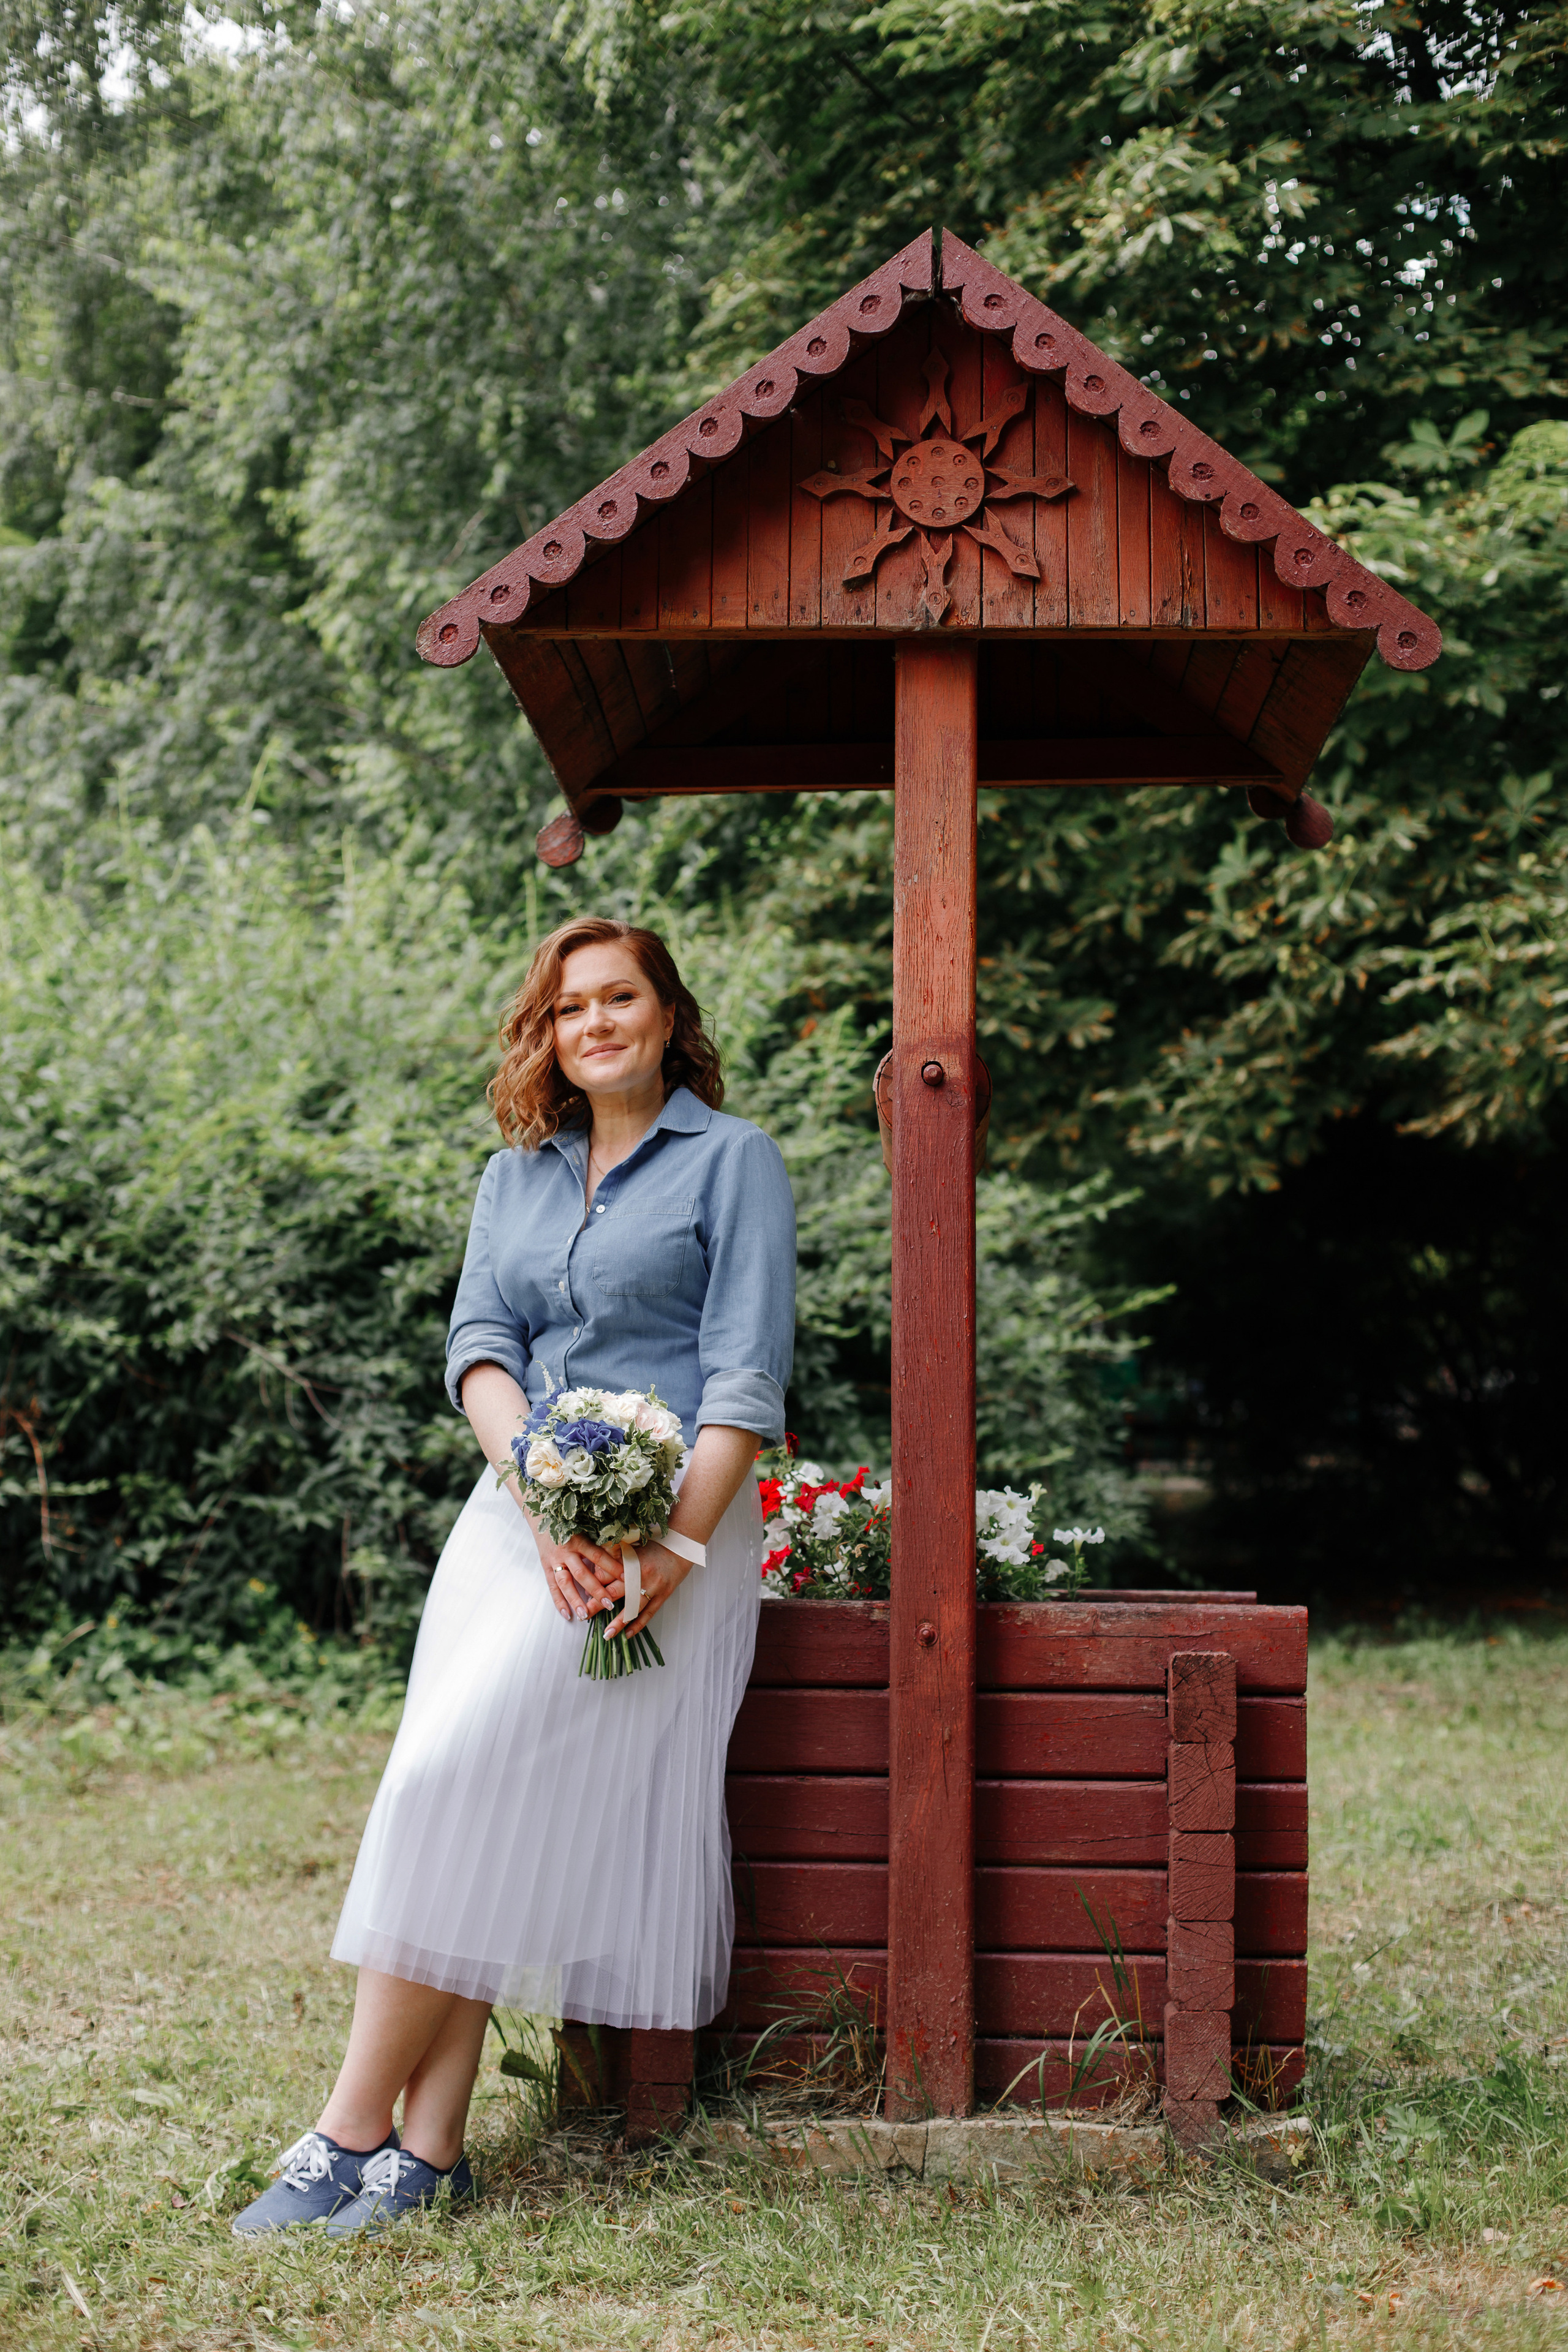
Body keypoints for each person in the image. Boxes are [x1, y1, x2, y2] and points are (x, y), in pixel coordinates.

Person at [232, 917, 796, 2235]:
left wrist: (666, 1546)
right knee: (457, 1790)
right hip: (515, 1524)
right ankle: (430, 2147)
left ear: (666, 1016)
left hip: (674, 1531)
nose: (591, 1023)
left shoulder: (733, 1161)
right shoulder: (515, 1176)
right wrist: (540, 1490)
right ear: (544, 1033)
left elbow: (743, 1379)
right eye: (566, 1008)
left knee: (467, 1785)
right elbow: (479, 1344)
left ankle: (347, 2128)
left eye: (618, 998)